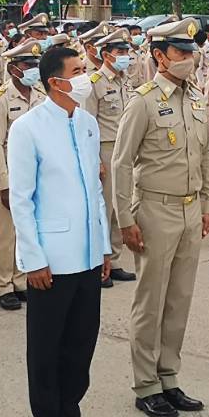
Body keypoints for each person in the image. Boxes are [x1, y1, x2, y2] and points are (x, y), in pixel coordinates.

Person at [9, 45, 111, 417]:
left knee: (81, 342)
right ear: (55, 81)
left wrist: (104, 248)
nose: (85, 76)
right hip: (52, 258)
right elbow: (21, 199)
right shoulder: (28, 128)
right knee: (47, 347)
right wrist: (33, 259)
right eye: (78, 70)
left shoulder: (86, 123)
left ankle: (71, 415)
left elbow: (95, 191)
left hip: (87, 254)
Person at [111, 18, 209, 417]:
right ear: (159, 56)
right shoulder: (144, 101)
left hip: (190, 209)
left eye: (191, 53)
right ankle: (146, 384)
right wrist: (125, 220)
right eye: (180, 53)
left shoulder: (196, 99)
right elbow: (121, 164)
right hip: (155, 209)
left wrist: (207, 205)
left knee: (179, 300)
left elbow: (205, 156)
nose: (189, 59)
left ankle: (169, 376)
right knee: (150, 302)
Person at [0, 39, 46, 311]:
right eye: (27, 64)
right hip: (9, 176)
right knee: (5, 235)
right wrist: (4, 183)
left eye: (35, 63)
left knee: (26, 232)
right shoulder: (0, 101)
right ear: (13, 68)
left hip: (34, 175)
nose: (33, 68)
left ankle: (20, 280)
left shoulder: (40, 95)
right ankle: (3, 285)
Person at [82, 26, 137, 284]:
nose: (125, 55)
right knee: (103, 209)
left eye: (126, 50)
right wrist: (95, 161)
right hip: (105, 149)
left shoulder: (126, 79)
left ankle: (114, 259)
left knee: (120, 206)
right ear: (106, 55)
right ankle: (99, 262)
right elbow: (87, 124)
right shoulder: (94, 83)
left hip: (126, 149)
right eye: (119, 51)